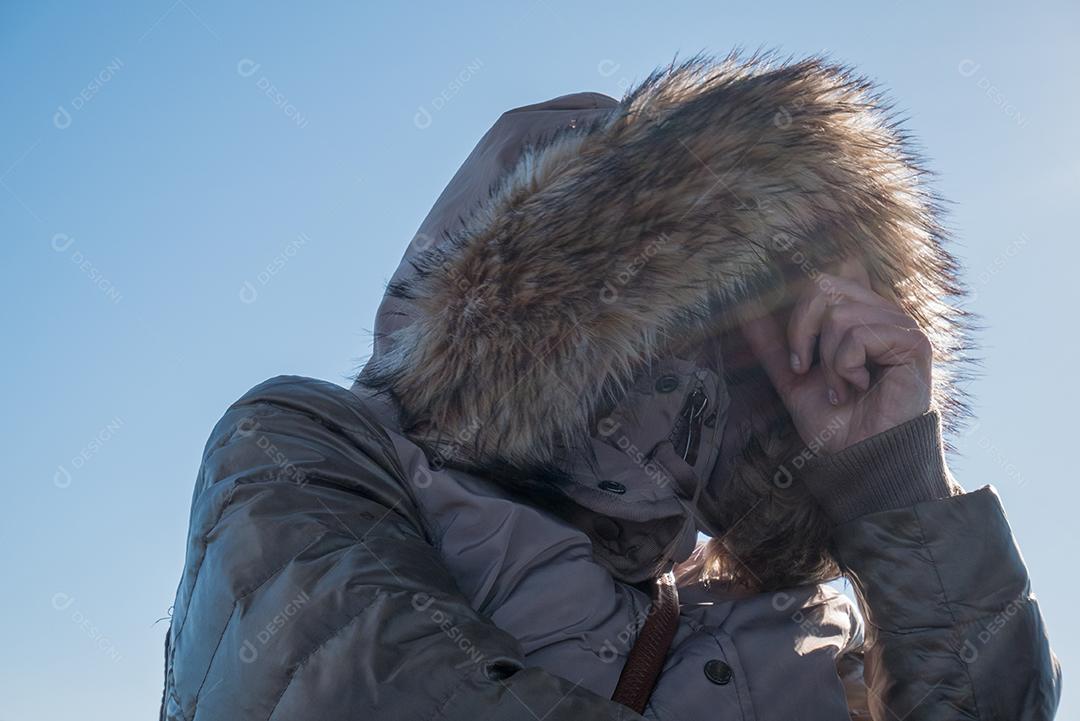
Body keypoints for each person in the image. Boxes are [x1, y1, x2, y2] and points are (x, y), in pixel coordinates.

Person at [160, 55, 1060, 720]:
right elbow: (352, 686)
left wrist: (887, 474)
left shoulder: (801, 616)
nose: (719, 353)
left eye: (760, 311)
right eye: (681, 291)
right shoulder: (314, 443)